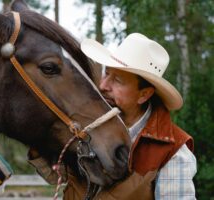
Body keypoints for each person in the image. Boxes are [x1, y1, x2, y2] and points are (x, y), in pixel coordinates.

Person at [29, 33, 197, 200]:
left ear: (144, 94)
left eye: (117, 80)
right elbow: (56, 177)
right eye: (106, 73)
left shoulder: (173, 151)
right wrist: (38, 140)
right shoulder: (88, 123)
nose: (103, 85)